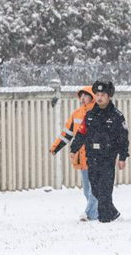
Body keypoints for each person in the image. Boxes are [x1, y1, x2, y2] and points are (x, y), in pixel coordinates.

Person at [70, 80, 129, 223]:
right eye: (97, 94)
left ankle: (105, 218)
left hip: (108, 157)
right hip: (92, 156)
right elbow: (82, 132)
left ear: (109, 96)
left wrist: (122, 157)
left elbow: (123, 138)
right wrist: (74, 148)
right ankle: (113, 213)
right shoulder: (90, 115)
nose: (99, 97)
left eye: (103, 94)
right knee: (95, 188)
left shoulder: (116, 116)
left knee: (105, 188)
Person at [49, 85, 98, 221]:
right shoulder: (76, 114)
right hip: (81, 157)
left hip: (95, 156)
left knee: (95, 188)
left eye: (86, 95)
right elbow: (67, 134)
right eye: (81, 96)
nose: (82, 98)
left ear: (92, 97)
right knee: (87, 190)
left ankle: (89, 213)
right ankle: (98, 213)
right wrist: (56, 147)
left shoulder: (99, 112)